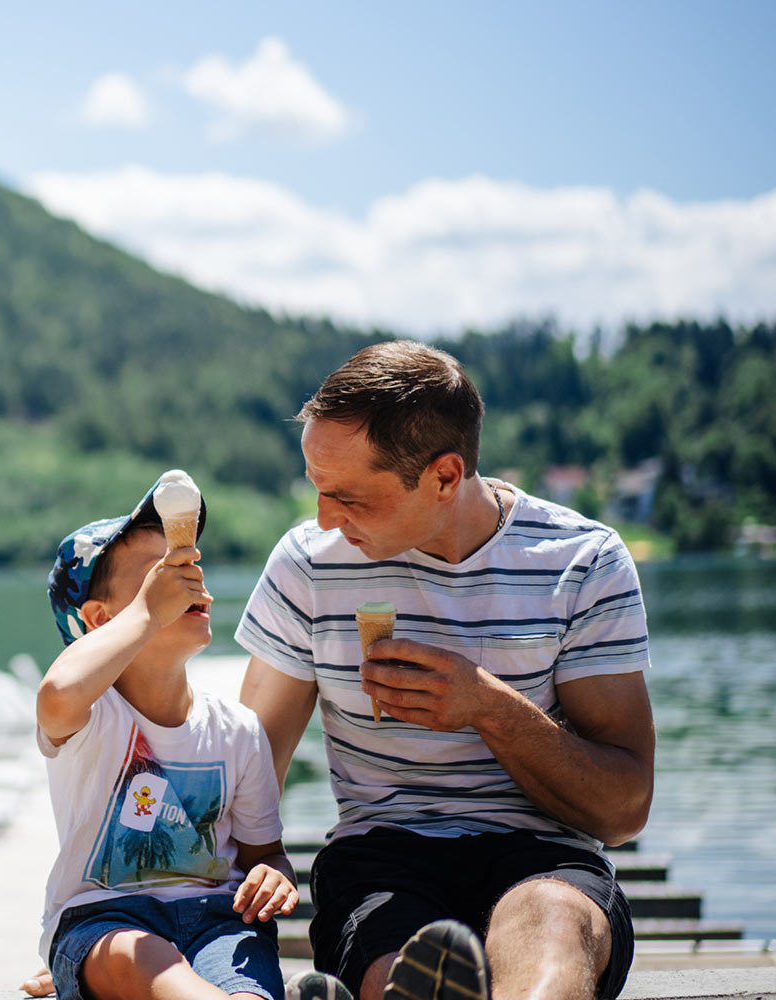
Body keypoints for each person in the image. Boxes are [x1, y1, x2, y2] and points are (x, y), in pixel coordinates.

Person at [236, 341, 653, 1000]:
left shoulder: (584, 564)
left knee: (549, 921)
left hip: (544, 854)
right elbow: (243, 775)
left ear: (444, 477)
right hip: (381, 858)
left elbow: (625, 810)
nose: (323, 520)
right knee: (403, 963)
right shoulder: (308, 564)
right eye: (317, 490)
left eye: (348, 497)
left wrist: (488, 707)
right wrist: (114, 921)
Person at [34, 471, 301, 1000]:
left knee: (246, 980)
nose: (189, 572)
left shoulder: (236, 730)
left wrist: (275, 876)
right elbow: (58, 691)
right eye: (162, 570)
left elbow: (264, 853)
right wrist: (147, 612)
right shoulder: (91, 717)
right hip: (102, 923)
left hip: (218, 921)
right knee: (142, 956)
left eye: (190, 559)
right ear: (99, 618)